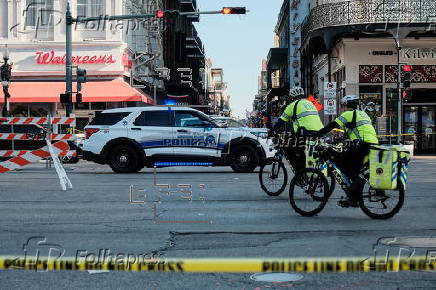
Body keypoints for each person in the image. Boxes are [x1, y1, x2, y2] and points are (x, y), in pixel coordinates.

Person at [315, 95, 379, 207]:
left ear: (346, 105)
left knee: (346, 165)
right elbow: (358, 130)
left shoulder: (348, 114)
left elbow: (332, 125)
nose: (342, 108)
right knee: (352, 167)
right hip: (371, 144)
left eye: (343, 105)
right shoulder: (362, 114)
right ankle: (353, 194)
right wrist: (341, 138)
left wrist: (317, 134)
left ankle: (353, 198)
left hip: (362, 145)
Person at [268, 86, 324, 170]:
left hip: (305, 133)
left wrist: (272, 131)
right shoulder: (311, 103)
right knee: (305, 151)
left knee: (288, 148)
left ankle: (300, 171)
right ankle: (307, 169)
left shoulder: (293, 105)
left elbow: (281, 121)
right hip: (320, 131)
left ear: (292, 97)